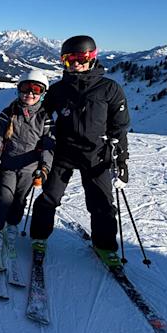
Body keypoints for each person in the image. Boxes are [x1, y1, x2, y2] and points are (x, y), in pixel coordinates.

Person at [28, 35, 131, 267]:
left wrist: (121, 161)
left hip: (96, 154)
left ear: (92, 58)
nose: (75, 64)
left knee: (102, 203)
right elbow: (39, 117)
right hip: (62, 151)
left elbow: (119, 128)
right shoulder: (58, 90)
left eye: (80, 58)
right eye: (69, 59)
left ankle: (104, 246)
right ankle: (39, 237)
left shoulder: (109, 89)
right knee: (49, 197)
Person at [0, 69, 54, 266]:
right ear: (19, 90)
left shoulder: (45, 117)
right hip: (8, 163)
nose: (30, 93)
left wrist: (44, 168)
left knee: (20, 199)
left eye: (36, 89)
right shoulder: (9, 112)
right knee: (4, 197)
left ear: (42, 93)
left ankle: (12, 224)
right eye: (25, 88)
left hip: (30, 167)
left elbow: (48, 145)